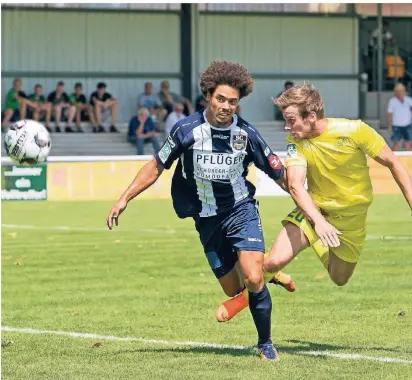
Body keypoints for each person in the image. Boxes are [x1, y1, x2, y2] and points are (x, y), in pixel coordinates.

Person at [106, 60, 295, 361]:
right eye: (221, 99)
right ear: (208, 95)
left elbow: (279, 173)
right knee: (235, 288)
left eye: (233, 102)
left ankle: (266, 343)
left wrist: (307, 201)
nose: (226, 106)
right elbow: (156, 166)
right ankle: (268, 272)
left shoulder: (246, 134)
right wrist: (124, 198)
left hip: (240, 210)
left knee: (253, 278)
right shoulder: (186, 130)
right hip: (206, 219)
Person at [216, 83, 412, 322]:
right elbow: (296, 186)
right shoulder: (296, 141)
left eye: (291, 119)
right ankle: (243, 298)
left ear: (311, 116)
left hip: (351, 220)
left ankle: (309, 249)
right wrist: (317, 221)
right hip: (314, 210)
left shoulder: (355, 131)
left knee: (339, 278)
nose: (287, 127)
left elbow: (394, 163)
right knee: (275, 260)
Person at [387, 83, 412, 151]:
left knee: (408, 143)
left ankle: (409, 161)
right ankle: (394, 160)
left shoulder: (409, 100)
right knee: (395, 143)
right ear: (396, 92)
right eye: (398, 91)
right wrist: (389, 126)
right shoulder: (392, 101)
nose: (401, 92)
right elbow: (389, 114)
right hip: (397, 126)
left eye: (402, 90)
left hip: (407, 125)